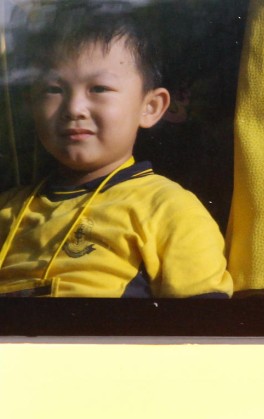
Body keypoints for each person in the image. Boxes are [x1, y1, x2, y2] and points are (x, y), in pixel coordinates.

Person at [0, 1, 232, 297]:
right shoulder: (8, 208)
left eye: (98, 89)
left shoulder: (168, 210)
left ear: (150, 107)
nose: (74, 108)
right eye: (54, 90)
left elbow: (203, 328)